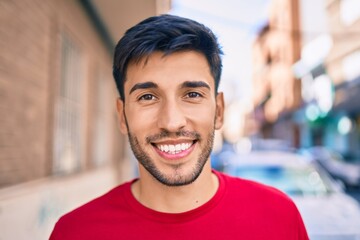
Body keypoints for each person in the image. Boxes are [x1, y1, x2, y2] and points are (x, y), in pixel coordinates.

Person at [50, 14, 309, 240]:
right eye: (147, 97)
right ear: (122, 116)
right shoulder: (75, 233)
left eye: (193, 94)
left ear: (219, 111)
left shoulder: (279, 217)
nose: (172, 122)